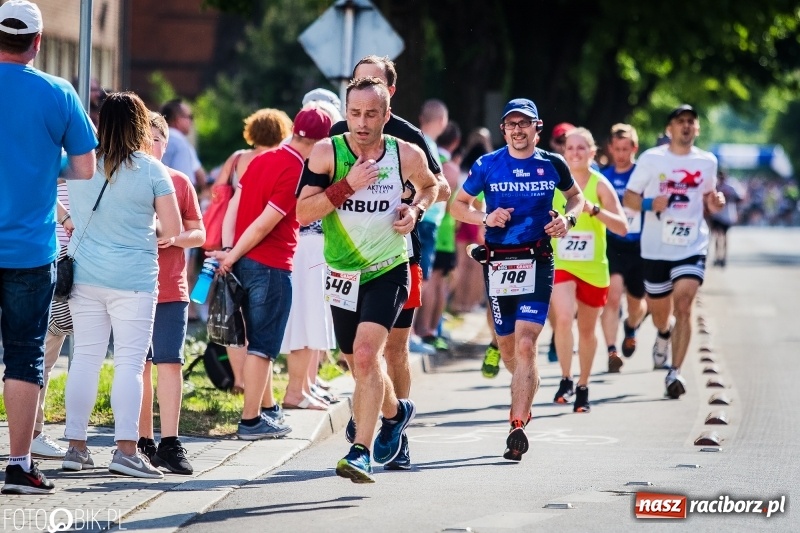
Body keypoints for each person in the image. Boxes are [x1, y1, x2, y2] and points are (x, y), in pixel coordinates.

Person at [297, 76, 438, 482]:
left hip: (388, 268)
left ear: (386, 115)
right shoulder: (328, 152)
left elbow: (431, 186)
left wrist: (416, 212)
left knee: (364, 354)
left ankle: (360, 450)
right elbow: (304, 213)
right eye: (355, 113)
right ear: (346, 113)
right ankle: (396, 414)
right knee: (357, 364)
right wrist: (347, 186)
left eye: (371, 114)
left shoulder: (404, 154)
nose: (361, 122)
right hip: (342, 273)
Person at [329, 55, 450, 471]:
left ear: (388, 96)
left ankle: (397, 435)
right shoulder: (337, 136)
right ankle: (383, 411)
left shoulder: (408, 137)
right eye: (358, 90)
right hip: (346, 263)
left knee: (391, 350)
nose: (363, 115)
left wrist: (412, 206)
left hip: (398, 255)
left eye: (374, 87)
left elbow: (441, 186)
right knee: (358, 355)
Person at [451, 98, 584, 460]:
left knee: (527, 344)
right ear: (503, 129)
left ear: (537, 128)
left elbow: (577, 198)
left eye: (524, 124)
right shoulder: (487, 164)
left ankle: (517, 425)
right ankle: (525, 388)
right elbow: (456, 205)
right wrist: (485, 218)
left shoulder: (552, 164)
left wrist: (568, 220)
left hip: (538, 260)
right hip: (499, 264)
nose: (517, 130)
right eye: (511, 124)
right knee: (510, 350)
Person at [0, 0, 97, 495]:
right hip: (29, 251)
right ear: (37, 42)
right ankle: (19, 465)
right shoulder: (59, 93)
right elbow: (84, 168)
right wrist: (45, 160)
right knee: (23, 356)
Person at [62, 91, 181, 479]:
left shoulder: (79, 165)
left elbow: (45, 188)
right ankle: (126, 450)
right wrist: (147, 227)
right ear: (139, 125)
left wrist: (68, 221)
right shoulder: (150, 169)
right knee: (130, 363)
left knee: (85, 360)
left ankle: (76, 447)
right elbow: (174, 229)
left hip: (85, 276)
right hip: (134, 279)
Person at [206, 108, 332, 440]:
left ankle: (264, 411)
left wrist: (231, 248)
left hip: (247, 261)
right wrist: (231, 256)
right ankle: (251, 421)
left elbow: (236, 203)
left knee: (251, 342)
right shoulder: (295, 170)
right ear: (317, 142)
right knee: (263, 346)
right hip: (272, 265)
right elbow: (265, 223)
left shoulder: (262, 159)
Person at [624, 104, 724, 399]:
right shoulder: (652, 159)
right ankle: (663, 335)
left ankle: (675, 372)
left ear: (697, 128)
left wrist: (715, 203)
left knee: (684, 305)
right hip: (655, 248)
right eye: (681, 121)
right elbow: (629, 198)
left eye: (691, 122)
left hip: (691, 244)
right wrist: (648, 204)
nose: (687, 126)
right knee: (659, 315)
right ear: (670, 128)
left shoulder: (707, 162)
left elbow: (709, 198)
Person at [137, 111, 205, 475]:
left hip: (171, 288)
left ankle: (170, 441)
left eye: (156, 139)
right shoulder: (127, 180)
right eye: (142, 139)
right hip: (132, 287)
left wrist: (176, 237)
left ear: (167, 144)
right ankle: (142, 439)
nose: (150, 146)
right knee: (139, 365)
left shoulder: (179, 182)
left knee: (170, 362)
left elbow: (200, 233)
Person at [208, 108, 293, 395]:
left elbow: (217, 194)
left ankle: (240, 381)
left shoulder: (236, 159)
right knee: (260, 329)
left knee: (235, 318)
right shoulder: (281, 162)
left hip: (229, 243)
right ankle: (261, 395)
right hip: (261, 245)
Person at [550, 128, 628, 412]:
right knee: (562, 317)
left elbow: (622, 227)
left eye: (581, 148)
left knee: (587, 329)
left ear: (592, 152)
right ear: (563, 152)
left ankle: (583, 385)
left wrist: (593, 210)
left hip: (594, 270)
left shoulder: (601, 184)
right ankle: (565, 378)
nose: (575, 153)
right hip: (562, 264)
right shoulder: (555, 183)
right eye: (570, 148)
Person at [280, 96, 344, 410]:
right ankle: (296, 390)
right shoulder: (297, 163)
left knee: (312, 319)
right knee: (305, 319)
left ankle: (304, 386)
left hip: (313, 247)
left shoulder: (301, 160)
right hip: (303, 247)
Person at [599, 124, 648, 370]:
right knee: (613, 297)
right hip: (613, 243)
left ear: (634, 148)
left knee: (637, 303)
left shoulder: (642, 173)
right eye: (617, 149)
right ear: (610, 148)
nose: (620, 154)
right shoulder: (603, 175)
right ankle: (611, 351)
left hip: (639, 244)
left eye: (625, 149)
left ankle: (631, 326)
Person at [415, 122, 462, 347]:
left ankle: (427, 330)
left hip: (429, 224)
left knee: (427, 279)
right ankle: (430, 330)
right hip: (440, 229)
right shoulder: (450, 168)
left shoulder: (421, 150)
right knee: (434, 281)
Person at [160, 98, 207, 193]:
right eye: (190, 116)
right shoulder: (181, 144)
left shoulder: (155, 140)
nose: (191, 121)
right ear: (178, 120)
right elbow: (189, 180)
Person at [709, 170, 742, 267]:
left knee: (723, 236)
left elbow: (739, 198)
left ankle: (723, 258)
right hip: (717, 215)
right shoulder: (716, 187)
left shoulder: (730, 187)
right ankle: (717, 257)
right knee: (717, 236)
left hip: (727, 215)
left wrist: (729, 199)